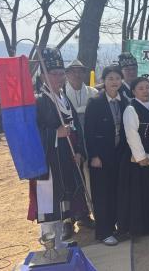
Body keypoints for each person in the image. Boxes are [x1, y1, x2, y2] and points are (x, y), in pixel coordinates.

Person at [28, 47, 88, 249]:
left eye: (61, 74)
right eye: (54, 74)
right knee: (49, 202)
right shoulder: (38, 100)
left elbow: (76, 128)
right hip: (49, 161)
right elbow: (32, 132)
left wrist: (79, 151)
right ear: (43, 76)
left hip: (66, 158)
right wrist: (55, 133)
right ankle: (49, 245)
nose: (59, 78)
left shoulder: (64, 98)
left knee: (63, 201)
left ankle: (61, 241)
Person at [85, 64, 128, 245]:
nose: (114, 82)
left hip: (119, 155)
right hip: (101, 157)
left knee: (118, 191)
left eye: (117, 78)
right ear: (103, 81)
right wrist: (94, 155)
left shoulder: (125, 101)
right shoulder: (95, 102)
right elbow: (88, 131)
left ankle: (118, 226)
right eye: (110, 78)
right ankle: (104, 231)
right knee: (102, 194)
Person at [118, 77, 149, 236]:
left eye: (147, 87)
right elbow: (131, 133)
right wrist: (140, 156)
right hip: (137, 158)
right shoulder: (131, 109)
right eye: (141, 88)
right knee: (138, 191)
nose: (145, 91)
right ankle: (137, 226)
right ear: (133, 91)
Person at [63, 59, 97, 236]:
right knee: (72, 182)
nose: (77, 74)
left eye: (80, 71)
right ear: (67, 74)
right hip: (71, 145)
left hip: (91, 143)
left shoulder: (93, 93)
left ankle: (88, 213)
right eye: (73, 71)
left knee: (91, 179)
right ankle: (68, 219)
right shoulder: (61, 95)